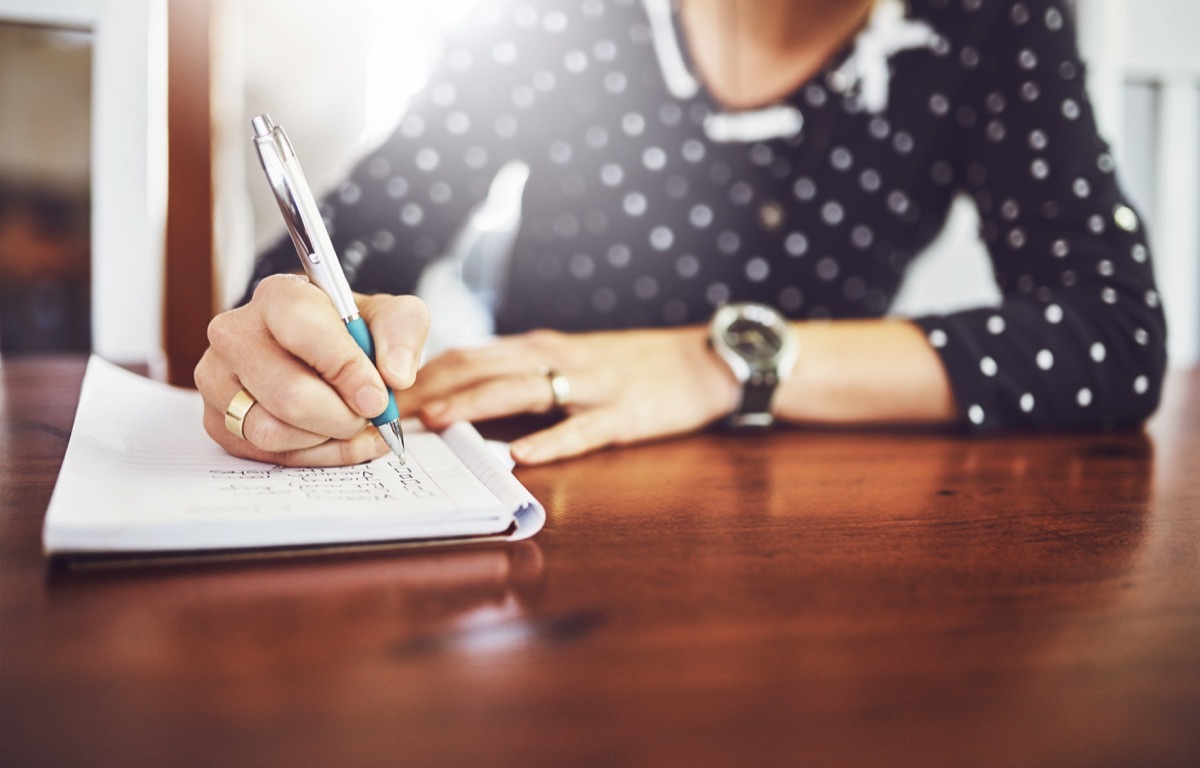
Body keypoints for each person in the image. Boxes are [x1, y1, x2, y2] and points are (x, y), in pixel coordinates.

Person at [195, 0, 1167, 467]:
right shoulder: (559, 20)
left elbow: (1112, 337)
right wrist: (289, 337)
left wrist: (718, 363)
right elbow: (343, 245)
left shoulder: (991, 25)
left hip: (815, 513)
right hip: (546, 490)